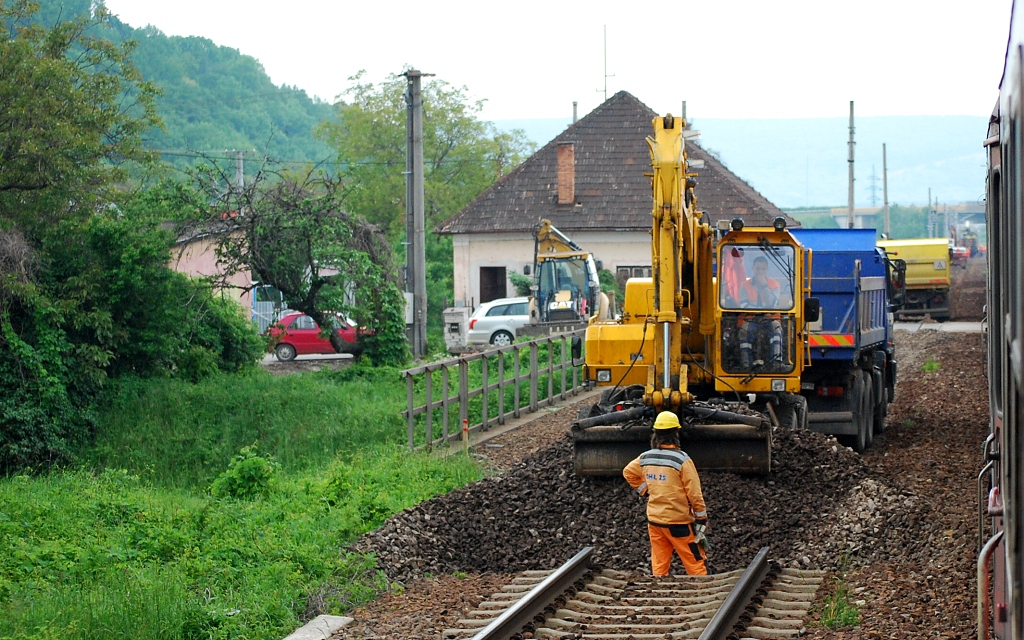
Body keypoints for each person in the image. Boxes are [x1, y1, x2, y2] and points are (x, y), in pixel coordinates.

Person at [623, 411, 709, 576]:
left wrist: (645, 490)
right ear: (676, 433)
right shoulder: (682, 460)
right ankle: (701, 591)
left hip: (655, 521)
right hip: (679, 523)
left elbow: (628, 472)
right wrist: (701, 517)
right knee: (695, 562)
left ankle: (658, 594)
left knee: (659, 564)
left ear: (655, 433)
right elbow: (694, 493)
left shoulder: (645, 457)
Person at [737, 256, 784, 370]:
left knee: (776, 328)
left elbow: (772, 304)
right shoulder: (744, 286)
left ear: (767, 270)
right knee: (744, 331)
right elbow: (744, 305)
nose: (760, 271)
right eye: (758, 269)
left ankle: (776, 362)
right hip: (750, 319)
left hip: (769, 319)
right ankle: (746, 364)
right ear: (753, 269)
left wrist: (764, 286)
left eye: (763, 269)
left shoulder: (774, 285)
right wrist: (761, 310)